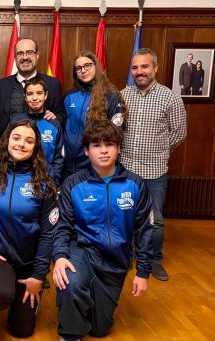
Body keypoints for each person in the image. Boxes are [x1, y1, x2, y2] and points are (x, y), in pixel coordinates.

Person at [52, 120, 153, 341]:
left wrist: (143, 272)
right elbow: (63, 226)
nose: (104, 150)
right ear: (87, 151)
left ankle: (83, 304)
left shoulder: (135, 185)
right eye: (96, 145)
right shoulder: (73, 184)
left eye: (110, 144)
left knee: (99, 330)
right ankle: (70, 334)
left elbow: (145, 230)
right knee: (70, 280)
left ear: (118, 148)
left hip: (116, 261)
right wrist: (59, 256)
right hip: (82, 251)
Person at [0, 119, 58, 340]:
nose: (22, 144)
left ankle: (23, 302)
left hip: (28, 263)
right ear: (7, 141)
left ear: (35, 148)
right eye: (17, 138)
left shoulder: (44, 184)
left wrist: (39, 276)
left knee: (22, 331)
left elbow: (49, 233)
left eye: (29, 141)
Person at [122, 47, 187, 281]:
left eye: (144, 66)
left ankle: (153, 260)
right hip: (126, 168)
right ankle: (126, 256)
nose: (140, 72)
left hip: (155, 171)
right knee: (125, 215)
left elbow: (179, 133)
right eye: (135, 67)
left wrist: (159, 151)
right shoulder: (123, 95)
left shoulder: (170, 97)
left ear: (155, 68)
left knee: (155, 220)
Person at [63, 50, 127, 181]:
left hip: (95, 167)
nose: (83, 70)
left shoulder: (110, 95)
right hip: (67, 166)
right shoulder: (69, 95)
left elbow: (116, 132)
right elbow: (62, 125)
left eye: (87, 65)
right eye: (79, 68)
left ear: (96, 66)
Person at [0, 38, 65, 131]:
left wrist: (54, 117)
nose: (25, 57)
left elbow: (61, 117)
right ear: (15, 58)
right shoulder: (0, 85)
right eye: (20, 53)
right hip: (8, 143)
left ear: (37, 56)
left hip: (41, 143)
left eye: (29, 52)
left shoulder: (53, 84)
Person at [9, 77, 63, 185]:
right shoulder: (15, 121)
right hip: (18, 179)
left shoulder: (54, 124)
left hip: (45, 180)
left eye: (39, 93)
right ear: (25, 97)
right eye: (30, 94)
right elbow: (6, 150)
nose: (34, 98)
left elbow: (59, 157)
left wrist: (53, 179)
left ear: (45, 95)